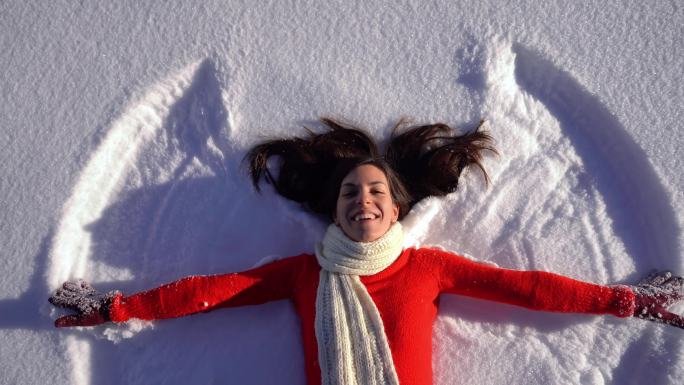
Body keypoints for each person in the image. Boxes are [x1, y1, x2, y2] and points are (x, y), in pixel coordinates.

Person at [50, 118, 684, 385]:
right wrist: (118, 306)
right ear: (336, 209)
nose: (364, 200)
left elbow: (526, 288)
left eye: (376, 190)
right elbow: (209, 292)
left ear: (396, 205)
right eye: (351, 192)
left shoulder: (428, 268)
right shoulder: (304, 274)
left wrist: (630, 301)